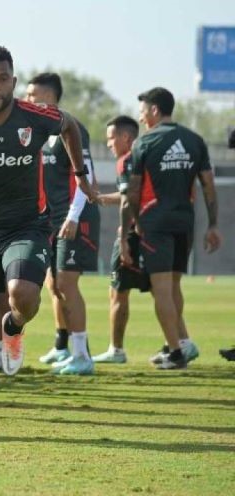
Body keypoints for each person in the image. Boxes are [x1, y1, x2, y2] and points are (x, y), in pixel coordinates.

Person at [0, 45, 97, 420]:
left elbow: (70, 127)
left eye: (2, 78)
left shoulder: (36, 116)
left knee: (23, 295)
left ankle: (13, 327)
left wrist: (79, 174)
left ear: (13, 80)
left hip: (27, 225)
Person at [123, 87, 221, 369]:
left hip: (156, 224)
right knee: (174, 287)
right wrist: (213, 225)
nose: (141, 118)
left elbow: (133, 191)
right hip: (185, 223)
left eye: (142, 112)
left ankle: (177, 354)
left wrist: (136, 225)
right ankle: (174, 343)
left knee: (161, 289)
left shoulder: (144, 143)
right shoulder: (194, 140)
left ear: (154, 110)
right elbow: (208, 185)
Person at [26, 73, 100, 376]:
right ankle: (64, 346)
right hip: (51, 220)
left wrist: (72, 216)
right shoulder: (41, 133)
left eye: (33, 95)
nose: (28, 100)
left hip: (75, 218)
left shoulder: (72, 128)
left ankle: (83, 356)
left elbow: (88, 176)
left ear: (50, 96)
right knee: (54, 284)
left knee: (67, 284)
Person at [92, 115, 150, 363]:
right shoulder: (146, 157)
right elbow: (131, 194)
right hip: (154, 232)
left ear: (126, 137)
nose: (108, 144)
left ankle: (116, 350)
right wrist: (103, 197)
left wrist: (126, 235)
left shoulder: (127, 160)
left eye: (111, 138)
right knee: (163, 290)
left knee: (118, 292)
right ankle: (180, 344)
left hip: (133, 234)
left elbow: (129, 199)